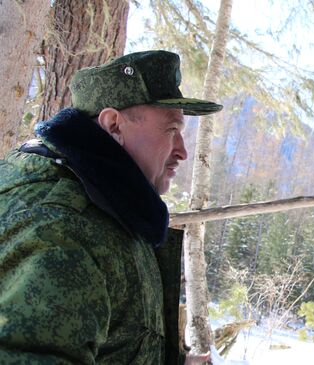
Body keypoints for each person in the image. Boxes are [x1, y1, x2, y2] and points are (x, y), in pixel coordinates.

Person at [0, 50, 222, 364]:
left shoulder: (109, 210)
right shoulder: (62, 231)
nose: (182, 152)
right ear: (114, 125)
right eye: (172, 131)